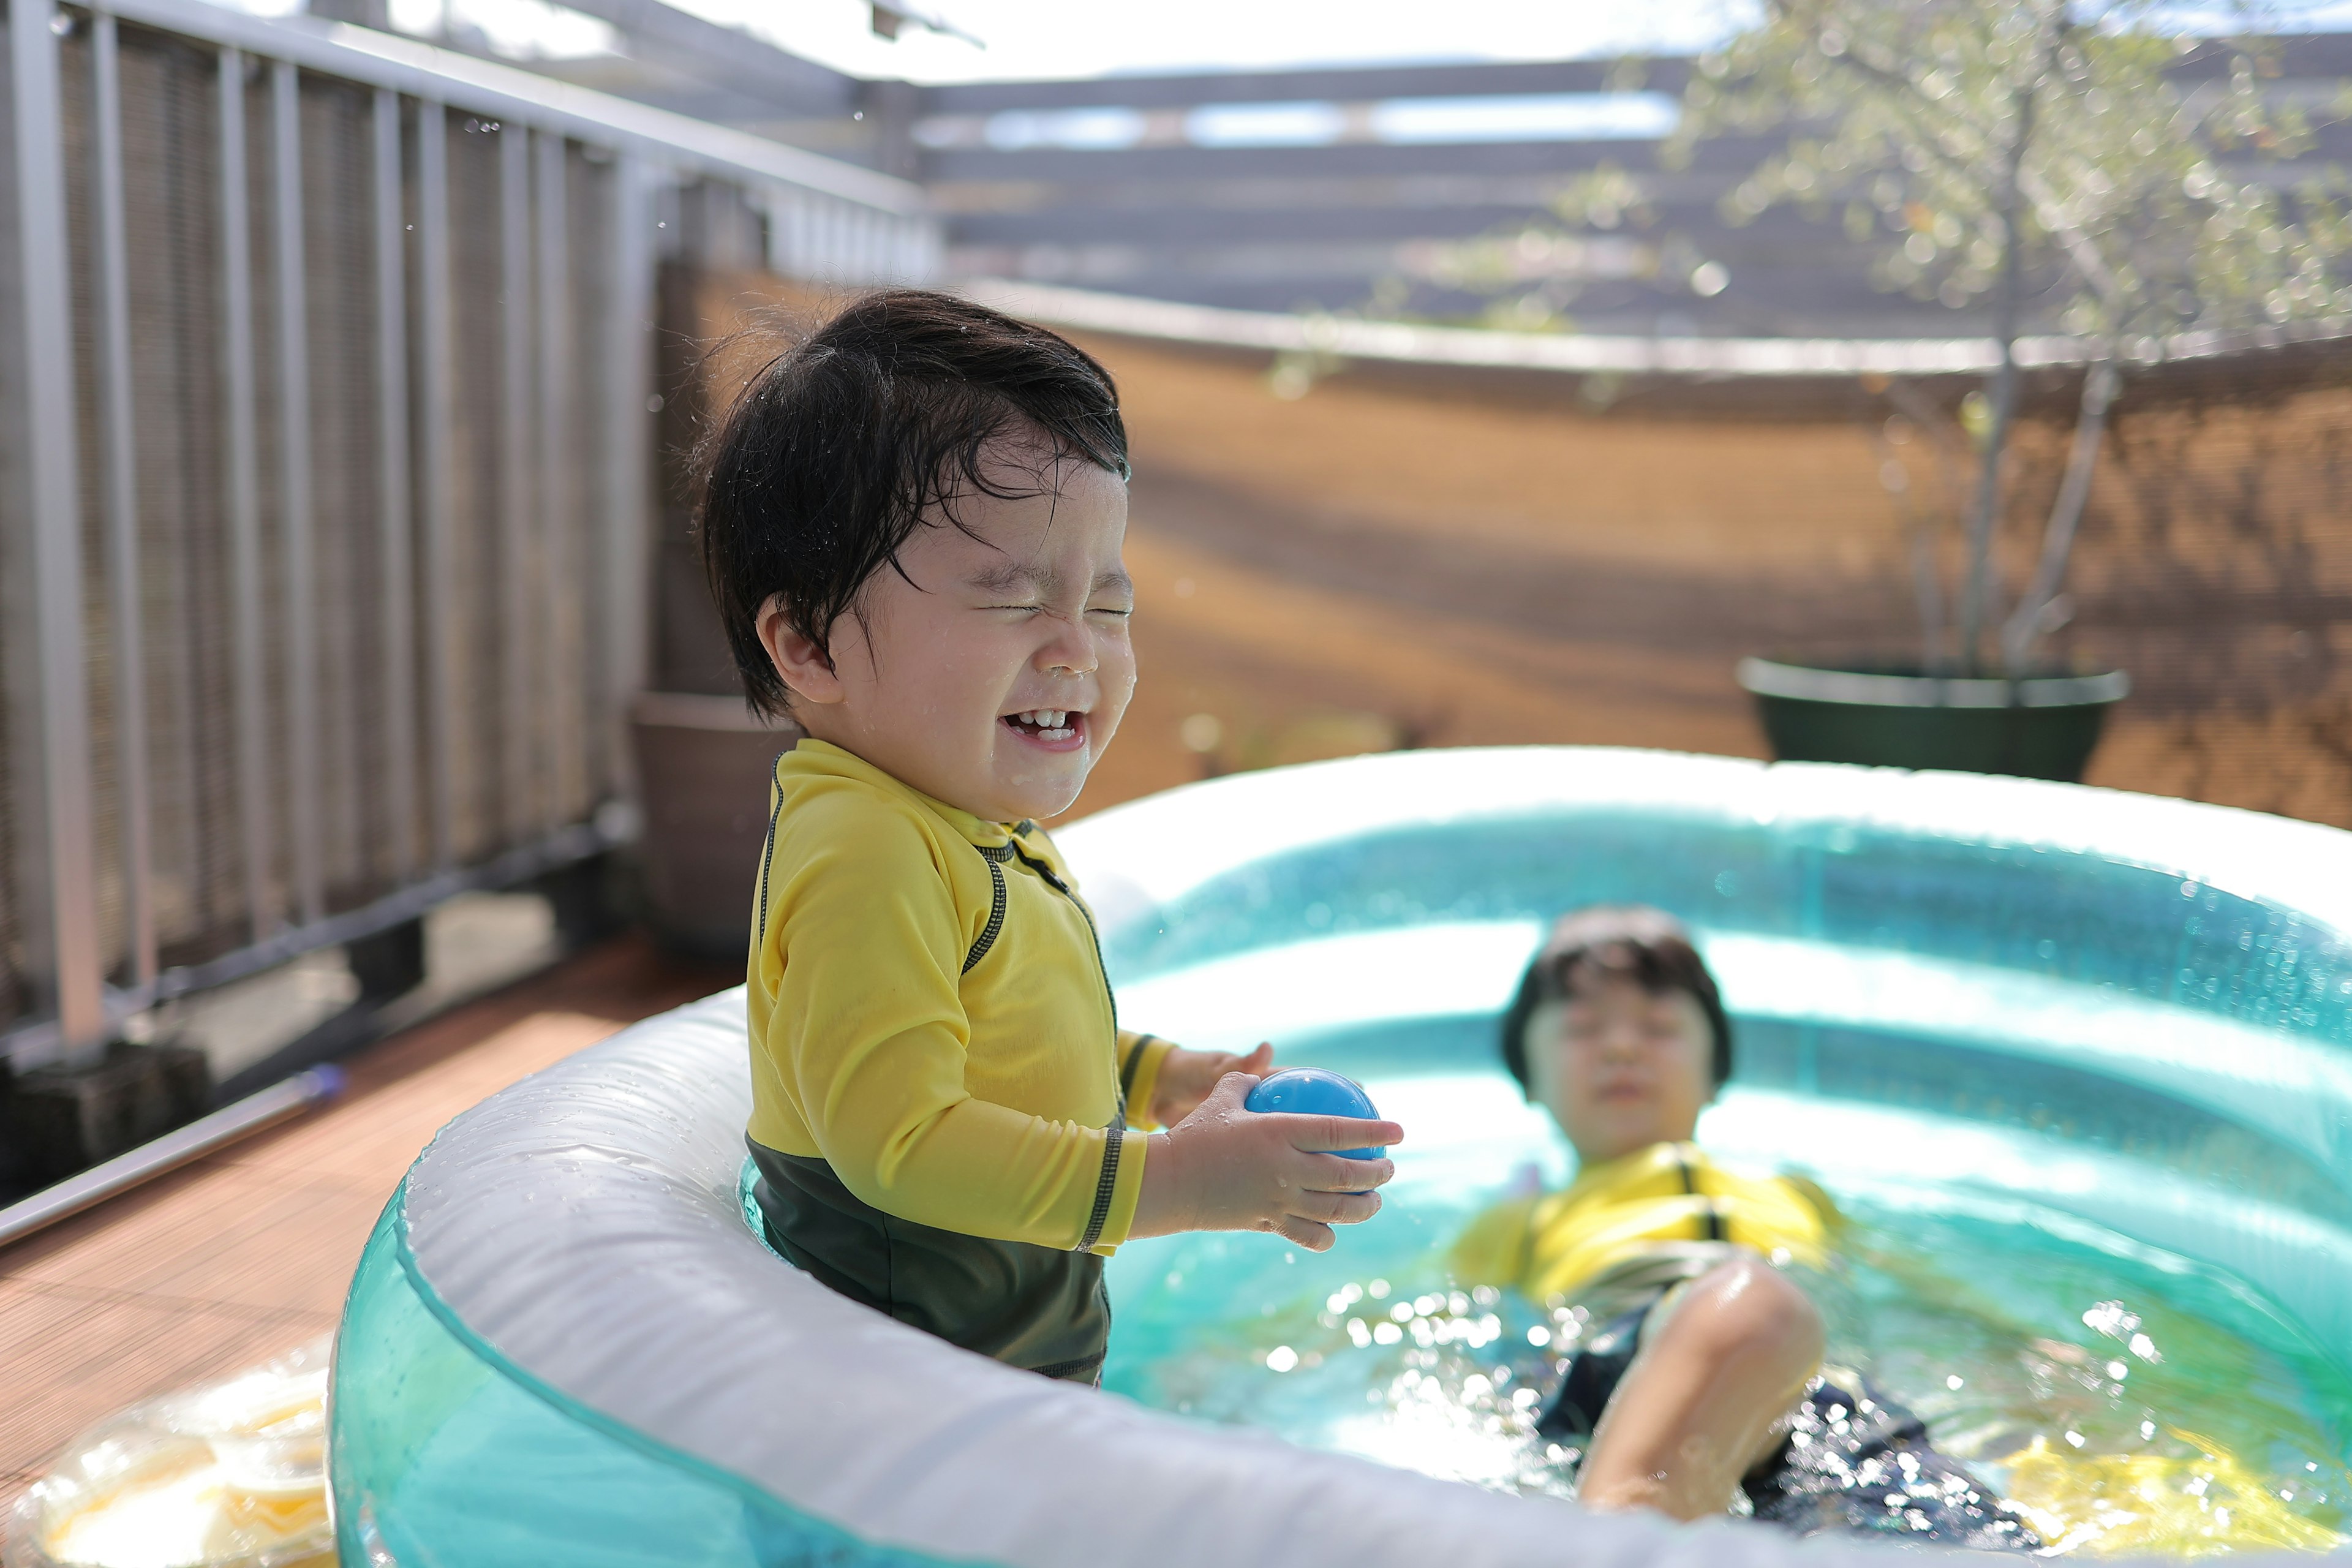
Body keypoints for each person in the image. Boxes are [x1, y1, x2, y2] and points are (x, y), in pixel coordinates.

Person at [696, 289, 1404, 1387]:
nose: (1078, 651)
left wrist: (1157, 1079)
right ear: (810, 646)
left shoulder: (958, 819)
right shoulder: (867, 847)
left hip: (991, 1381)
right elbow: (904, 1146)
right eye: (1012, 600)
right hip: (903, 1404)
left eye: (1109, 608)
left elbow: (1001, 1044)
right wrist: (1180, 1181)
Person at [1452, 906, 2038, 1548]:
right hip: (1628, 1380)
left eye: (1660, 1027)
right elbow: (1466, 1328)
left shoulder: (1798, 1195)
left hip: (1817, 1400)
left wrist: (2020, 1345)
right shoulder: (1521, 1219)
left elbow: (1920, 1291)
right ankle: (1618, 1537)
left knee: (1955, 1532)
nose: (1622, 1047)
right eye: (1583, 1028)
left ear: (1715, 1075)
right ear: (1528, 1078)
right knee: (1753, 1306)